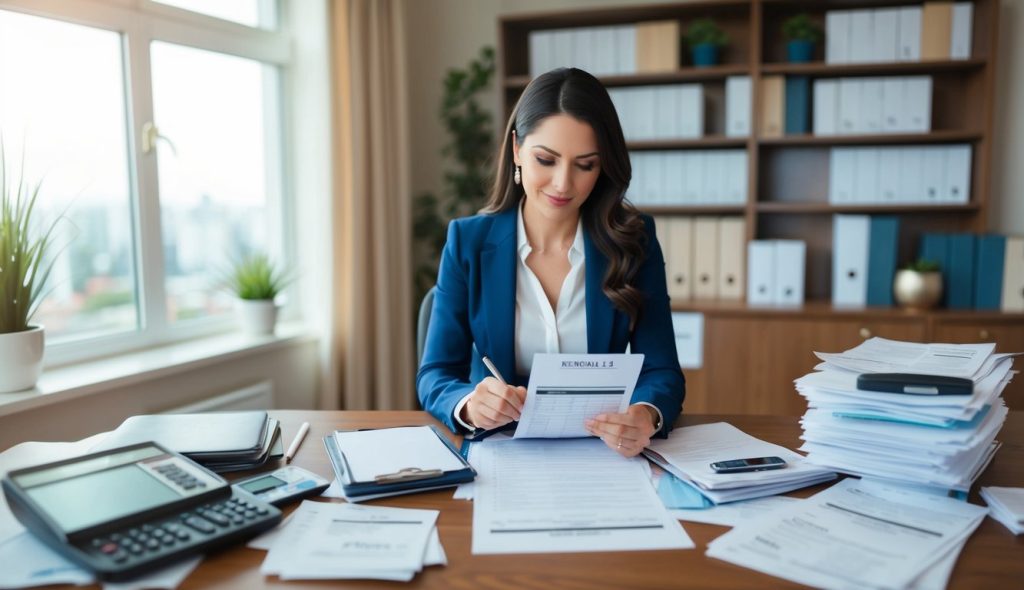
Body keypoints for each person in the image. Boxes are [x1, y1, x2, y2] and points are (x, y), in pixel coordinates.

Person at [417, 68, 685, 457]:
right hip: (500, 452)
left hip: (602, 453)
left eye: (585, 165)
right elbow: (435, 375)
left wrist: (646, 414)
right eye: (546, 159)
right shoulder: (468, 242)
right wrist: (469, 405)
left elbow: (663, 370)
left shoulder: (634, 240)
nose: (562, 184)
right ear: (516, 150)